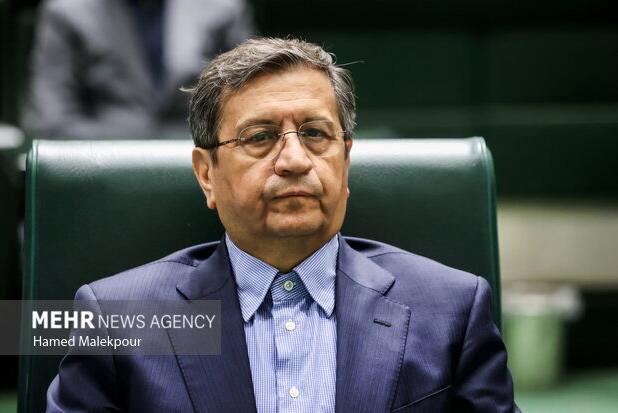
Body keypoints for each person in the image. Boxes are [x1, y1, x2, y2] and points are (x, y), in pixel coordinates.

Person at [46, 37, 519, 412]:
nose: (294, 160)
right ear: (207, 174)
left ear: (345, 162)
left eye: (314, 133)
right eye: (260, 137)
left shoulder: (452, 308)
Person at [23, 0, 254, 139]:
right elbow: (52, 121)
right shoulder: (66, 12)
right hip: (100, 169)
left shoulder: (223, 7)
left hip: (201, 164)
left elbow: (248, 103)